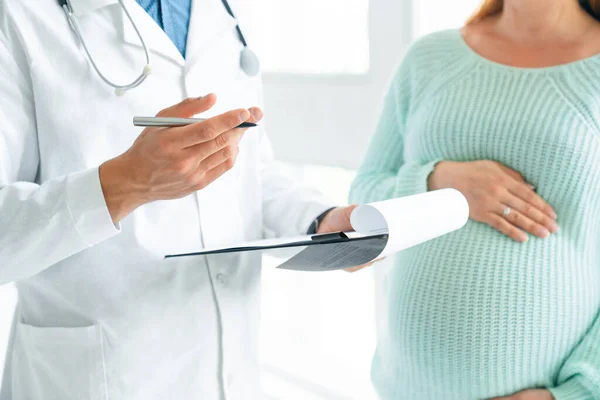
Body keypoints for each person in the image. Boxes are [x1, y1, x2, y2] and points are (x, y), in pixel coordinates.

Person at [0, 0, 355, 399]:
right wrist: (125, 184)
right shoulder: (18, 14)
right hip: (98, 375)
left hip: (229, 371)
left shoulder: (223, 11)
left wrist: (321, 221)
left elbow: (248, 170)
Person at [349, 0, 600, 399]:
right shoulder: (429, 59)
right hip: (404, 388)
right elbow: (363, 195)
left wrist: (577, 393)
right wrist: (434, 182)